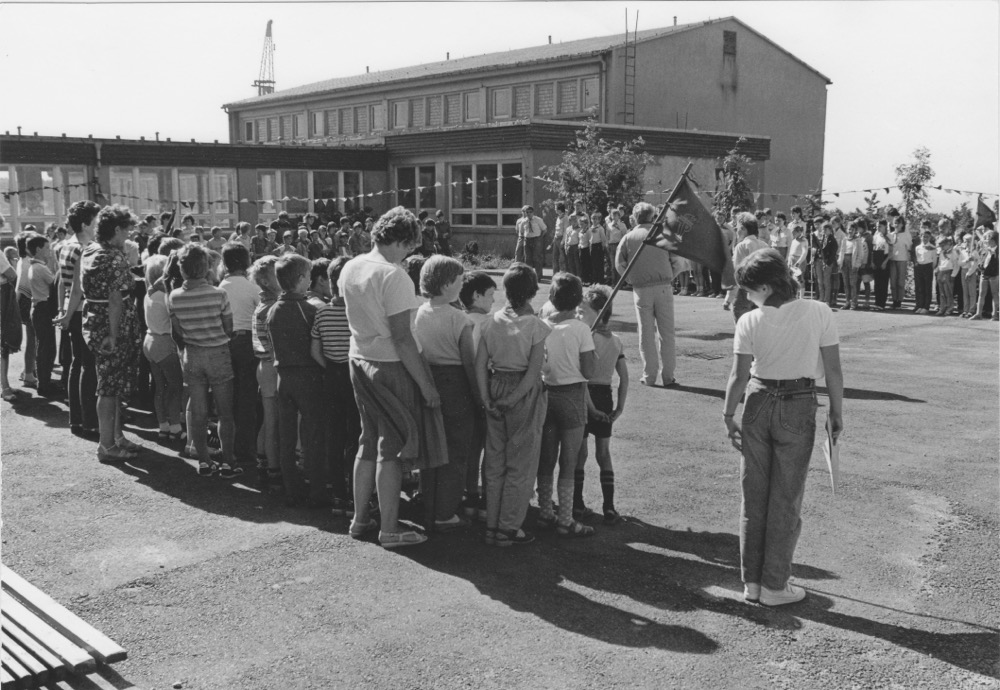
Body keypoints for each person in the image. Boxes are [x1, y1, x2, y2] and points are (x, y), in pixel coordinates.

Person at [722, 248, 843, 606]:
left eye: (749, 288)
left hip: (758, 402)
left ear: (765, 286)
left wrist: (728, 415)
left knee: (754, 494)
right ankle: (776, 583)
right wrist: (837, 411)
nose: (746, 295)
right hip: (799, 401)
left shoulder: (749, 321)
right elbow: (833, 370)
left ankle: (753, 583)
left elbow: (738, 375)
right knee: (786, 497)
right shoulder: (819, 311)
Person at [340, 206, 441, 548]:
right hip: (389, 363)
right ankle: (390, 529)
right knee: (392, 449)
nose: (411, 252)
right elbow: (402, 338)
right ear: (401, 241)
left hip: (358, 358)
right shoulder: (394, 275)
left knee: (368, 441)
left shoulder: (351, 265)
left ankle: (359, 519)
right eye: (411, 246)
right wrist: (427, 386)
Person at [476, 263, 548, 545]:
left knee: (494, 461)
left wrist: (486, 397)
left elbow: (481, 363)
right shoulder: (535, 325)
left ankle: (492, 524)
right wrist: (513, 398)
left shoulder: (490, 322)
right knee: (520, 463)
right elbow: (534, 372)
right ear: (532, 293)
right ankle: (508, 527)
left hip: (495, 385)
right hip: (522, 392)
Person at [414, 255, 478, 531]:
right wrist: (479, 397)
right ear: (448, 284)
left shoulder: (419, 312)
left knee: (431, 447)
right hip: (456, 384)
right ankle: (446, 511)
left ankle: (427, 502)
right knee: (456, 450)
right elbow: (469, 362)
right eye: (461, 280)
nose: (463, 284)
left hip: (427, 379)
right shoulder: (459, 318)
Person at [167, 244, 239, 476]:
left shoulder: (175, 297)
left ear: (182, 270)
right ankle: (228, 461)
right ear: (207, 267)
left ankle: (205, 462)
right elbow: (228, 327)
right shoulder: (219, 294)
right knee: (225, 413)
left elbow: (176, 330)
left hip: (192, 354)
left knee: (198, 413)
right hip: (218, 352)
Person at [80, 205, 144, 462]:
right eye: (127, 230)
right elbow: (116, 298)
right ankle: (106, 445)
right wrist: (114, 335)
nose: (128, 235)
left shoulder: (90, 250)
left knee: (112, 384)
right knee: (108, 387)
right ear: (116, 229)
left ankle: (116, 438)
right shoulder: (115, 256)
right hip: (113, 326)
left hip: (94, 321)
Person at [536, 272, 596, 537]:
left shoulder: (542, 325)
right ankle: (566, 518)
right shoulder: (581, 329)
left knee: (546, 457)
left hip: (547, 392)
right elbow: (589, 371)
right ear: (578, 300)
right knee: (569, 460)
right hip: (572, 395)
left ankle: (545, 510)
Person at [266, 253, 327, 506]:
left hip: (283, 375)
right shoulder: (308, 309)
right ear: (302, 279)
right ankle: (317, 488)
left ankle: (291, 486)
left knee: (287, 434)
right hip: (307, 375)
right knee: (312, 433)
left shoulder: (272, 309)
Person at [310, 257, 359, 516]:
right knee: (355, 434)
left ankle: (338, 492)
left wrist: (329, 364)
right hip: (353, 373)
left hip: (331, 374)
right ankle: (355, 491)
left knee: (334, 433)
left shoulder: (323, 311)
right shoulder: (357, 312)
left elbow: (314, 349)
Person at [575, 285, 628, 524]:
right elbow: (624, 378)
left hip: (585, 396)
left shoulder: (586, 338)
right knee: (603, 453)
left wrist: (591, 408)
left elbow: (582, 377)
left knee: (580, 452)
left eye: (583, 311)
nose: (579, 315)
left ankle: (577, 503)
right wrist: (619, 407)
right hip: (605, 396)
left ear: (598, 313)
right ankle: (609, 507)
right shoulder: (616, 341)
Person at [615, 201, 677, 387]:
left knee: (646, 332)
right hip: (664, 285)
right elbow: (678, 261)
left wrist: (631, 278)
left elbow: (619, 264)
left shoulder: (628, 237)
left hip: (641, 288)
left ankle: (649, 375)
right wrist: (670, 275)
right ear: (653, 216)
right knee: (667, 332)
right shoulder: (664, 234)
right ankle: (668, 376)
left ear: (635, 218)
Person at [57, 201, 101, 434]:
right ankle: (90, 421)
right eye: (96, 219)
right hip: (82, 311)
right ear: (85, 224)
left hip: (71, 311)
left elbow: (63, 285)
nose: (98, 224)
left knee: (77, 364)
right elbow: (77, 289)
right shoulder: (85, 248)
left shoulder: (65, 246)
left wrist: (63, 311)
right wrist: (67, 313)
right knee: (89, 366)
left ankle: (77, 418)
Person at [458, 270, 497, 520]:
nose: (494, 301)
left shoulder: (459, 320)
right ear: (477, 295)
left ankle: (469, 495)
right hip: (487, 386)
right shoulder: (490, 323)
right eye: (491, 295)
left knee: (470, 448)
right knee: (489, 447)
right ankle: (486, 500)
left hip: (462, 387)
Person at [219, 243, 260, 468]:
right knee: (248, 397)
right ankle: (247, 448)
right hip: (247, 342)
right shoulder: (251, 287)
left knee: (229, 397)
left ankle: (231, 447)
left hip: (226, 341)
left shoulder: (221, 286)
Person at [142, 255, 184, 440]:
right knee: (175, 387)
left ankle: (163, 425)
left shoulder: (149, 294)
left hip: (150, 341)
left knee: (159, 387)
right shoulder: (166, 296)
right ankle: (175, 427)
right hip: (165, 343)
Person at [250, 256, 282, 490]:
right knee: (272, 420)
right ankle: (273, 466)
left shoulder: (262, 304)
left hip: (264, 366)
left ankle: (262, 458)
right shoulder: (272, 307)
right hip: (272, 365)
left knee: (267, 417)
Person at [27, 234, 60, 397]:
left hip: (39, 308)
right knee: (47, 348)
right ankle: (44, 384)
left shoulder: (34, 266)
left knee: (44, 347)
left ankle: (44, 382)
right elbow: (55, 283)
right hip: (43, 309)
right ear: (38, 249)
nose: (50, 251)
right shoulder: (41, 268)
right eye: (47, 248)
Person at [731, 212, 772, 322]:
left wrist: (731, 294)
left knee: (739, 313)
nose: (736, 230)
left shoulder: (742, 245)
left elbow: (738, 270)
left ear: (744, 229)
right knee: (758, 319)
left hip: (746, 287)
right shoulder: (764, 245)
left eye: (738, 227)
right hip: (762, 287)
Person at [15, 232, 38, 389]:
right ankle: (29, 373)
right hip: (28, 302)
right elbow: (26, 286)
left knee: (32, 339)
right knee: (32, 340)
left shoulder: (23, 260)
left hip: (23, 301)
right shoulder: (28, 262)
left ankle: (29, 369)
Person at [971, 230, 999, 320]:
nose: (986, 241)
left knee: (995, 294)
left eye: (988, 239)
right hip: (984, 274)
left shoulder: (997, 251)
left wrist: (994, 254)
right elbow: (982, 260)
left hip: (994, 275)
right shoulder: (986, 250)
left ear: (994, 240)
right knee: (981, 294)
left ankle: (995, 315)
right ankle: (978, 314)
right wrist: (980, 266)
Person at [514, 205, 547, 282]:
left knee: (537, 258)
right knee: (527, 259)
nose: (528, 213)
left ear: (533, 212)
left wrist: (539, 238)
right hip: (527, 240)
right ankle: (529, 277)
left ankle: (538, 277)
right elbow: (521, 232)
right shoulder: (523, 221)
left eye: (530, 212)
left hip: (536, 240)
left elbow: (544, 230)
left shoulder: (538, 220)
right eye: (527, 212)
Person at [887, 215, 912, 310]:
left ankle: (899, 301)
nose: (897, 224)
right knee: (893, 281)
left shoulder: (906, 235)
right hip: (892, 260)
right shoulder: (891, 234)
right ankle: (894, 300)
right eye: (895, 222)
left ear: (902, 224)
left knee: (900, 282)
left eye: (899, 223)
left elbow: (909, 247)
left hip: (902, 260)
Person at [912, 226, 937, 315]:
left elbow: (934, 261)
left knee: (927, 288)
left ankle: (926, 307)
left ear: (930, 238)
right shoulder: (918, 247)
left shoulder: (933, 247)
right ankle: (920, 305)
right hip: (920, 267)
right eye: (923, 236)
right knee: (920, 287)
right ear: (921, 237)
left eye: (927, 237)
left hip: (928, 267)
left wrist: (930, 268)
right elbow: (917, 257)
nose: (925, 238)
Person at [934, 236, 960, 316]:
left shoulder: (953, 252)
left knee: (948, 291)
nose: (941, 247)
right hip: (941, 271)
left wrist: (953, 275)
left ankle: (949, 308)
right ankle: (942, 308)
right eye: (941, 245)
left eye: (943, 245)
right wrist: (937, 270)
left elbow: (956, 265)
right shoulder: (942, 252)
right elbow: (940, 262)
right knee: (941, 292)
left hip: (949, 272)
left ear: (948, 244)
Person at [871, 220, 891, 311]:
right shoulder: (876, 236)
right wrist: (872, 261)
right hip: (876, 258)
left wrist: (885, 262)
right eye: (877, 226)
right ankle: (876, 302)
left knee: (883, 283)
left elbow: (891, 252)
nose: (878, 228)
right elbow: (873, 249)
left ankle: (881, 304)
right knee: (877, 283)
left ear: (885, 226)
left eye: (880, 226)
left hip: (884, 259)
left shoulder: (889, 236)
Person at [958, 232, 980, 318]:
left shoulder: (974, 252)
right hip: (963, 270)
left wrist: (969, 272)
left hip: (971, 272)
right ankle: (965, 309)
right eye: (966, 241)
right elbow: (960, 263)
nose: (967, 242)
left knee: (972, 292)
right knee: (965, 292)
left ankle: (972, 310)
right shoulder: (963, 252)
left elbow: (976, 264)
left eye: (969, 241)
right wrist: (966, 260)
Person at [605, 207, 627, 284]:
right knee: (613, 265)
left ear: (618, 216)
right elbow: (607, 236)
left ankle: (621, 282)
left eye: (616, 215)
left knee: (620, 264)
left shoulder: (622, 225)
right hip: (611, 246)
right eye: (612, 215)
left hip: (619, 245)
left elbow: (625, 236)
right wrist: (607, 244)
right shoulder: (609, 225)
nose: (614, 217)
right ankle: (614, 282)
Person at [548, 201, 568, 275]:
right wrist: (553, 240)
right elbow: (557, 230)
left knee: (562, 259)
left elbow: (566, 230)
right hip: (556, 239)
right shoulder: (558, 217)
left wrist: (563, 241)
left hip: (561, 239)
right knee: (555, 258)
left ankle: (563, 275)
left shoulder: (565, 218)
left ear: (560, 209)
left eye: (556, 208)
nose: (555, 210)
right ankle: (555, 275)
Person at [589, 211, 608, 286]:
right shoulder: (590, 228)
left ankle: (600, 280)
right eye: (593, 218)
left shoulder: (600, 228)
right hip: (592, 246)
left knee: (599, 264)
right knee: (593, 264)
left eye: (596, 218)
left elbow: (603, 239)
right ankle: (595, 279)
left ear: (599, 220)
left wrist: (603, 248)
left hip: (598, 246)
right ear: (591, 219)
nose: (594, 220)